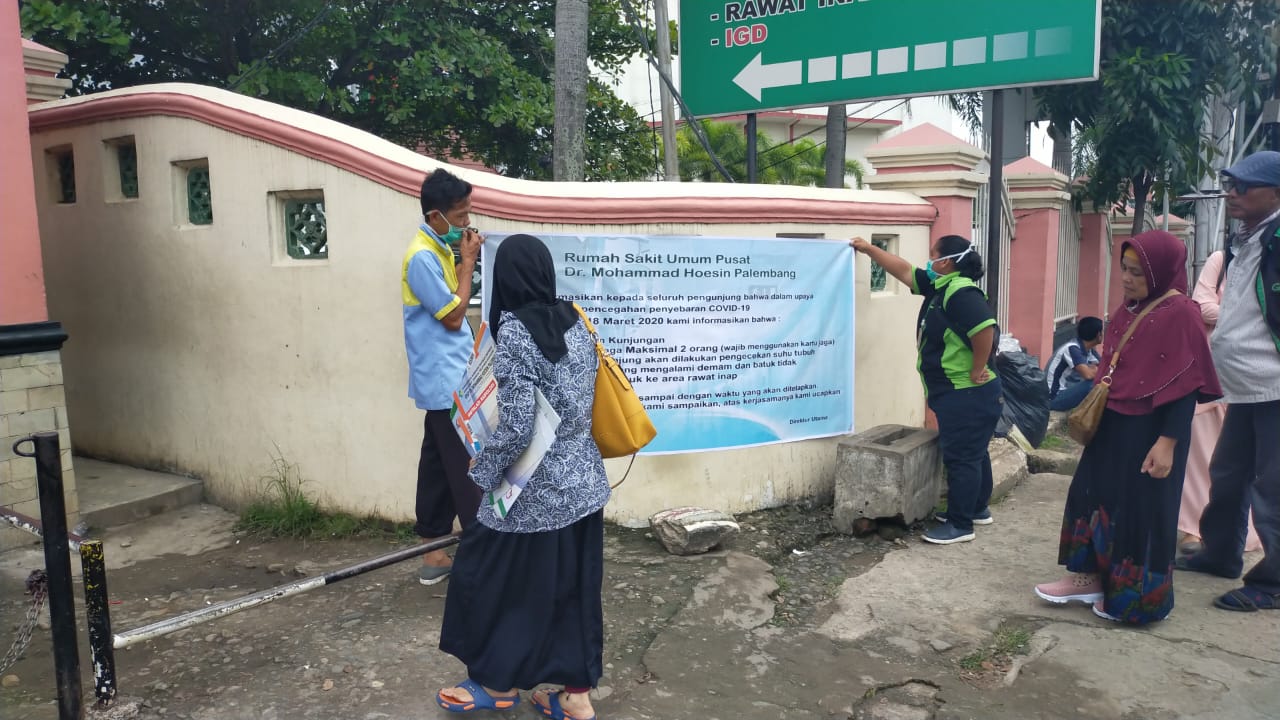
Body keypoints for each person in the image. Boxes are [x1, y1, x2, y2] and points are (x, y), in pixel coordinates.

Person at [436, 234, 610, 719]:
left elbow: (516, 428)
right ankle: (575, 698)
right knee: (575, 587)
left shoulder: (512, 332)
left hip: (530, 492)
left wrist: (482, 471)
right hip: (584, 484)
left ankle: (494, 684)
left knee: (481, 572)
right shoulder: (576, 320)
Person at [1033, 230, 1221, 625]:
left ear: (1161, 271)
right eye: (1124, 269)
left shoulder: (1181, 314)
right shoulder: (1129, 310)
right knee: (1093, 495)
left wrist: (1168, 443)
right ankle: (1089, 579)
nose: (1127, 278)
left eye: (1138, 271)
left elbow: (1186, 386)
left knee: (1142, 512)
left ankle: (1137, 603)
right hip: (1113, 423)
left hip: (1152, 431)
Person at [851, 234, 1003, 545]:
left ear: (946, 261)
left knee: (962, 457)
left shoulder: (960, 293)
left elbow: (984, 329)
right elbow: (906, 271)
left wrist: (976, 368)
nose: (928, 262)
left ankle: (961, 525)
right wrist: (870, 250)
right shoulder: (942, 285)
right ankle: (976, 509)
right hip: (960, 392)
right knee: (973, 452)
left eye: (933, 256)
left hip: (966, 392)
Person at [1178, 150, 1280, 613]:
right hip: (1244, 386)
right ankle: (1220, 554)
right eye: (1231, 183)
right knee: (1228, 473)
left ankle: (1273, 583)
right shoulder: (1247, 238)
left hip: (1274, 386)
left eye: (1245, 186)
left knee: (1271, 487)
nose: (1232, 193)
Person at [402, 168, 484, 585]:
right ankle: (485, 554)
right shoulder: (421, 257)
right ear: (436, 216)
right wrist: (467, 264)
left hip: (450, 376)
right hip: (443, 380)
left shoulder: (437, 249)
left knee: (436, 467)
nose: (467, 222)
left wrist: (461, 258)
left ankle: (433, 555)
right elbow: (453, 316)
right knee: (465, 467)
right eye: (460, 215)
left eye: (469, 212)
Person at [1178, 250, 1260, 556]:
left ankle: (1237, 534)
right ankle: (1193, 528)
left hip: (1257, 375)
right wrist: (1249, 316)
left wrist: (1228, 312)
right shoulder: (1222, 258)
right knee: (1199, 453)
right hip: (1213, 369)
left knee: (1245, 461)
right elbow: (1201, 304)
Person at [1045, 316, 1103, 412]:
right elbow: (1088, 375)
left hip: (1067, 389)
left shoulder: (1089, 350)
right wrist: (1095, 370)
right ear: (1098, 335)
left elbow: (1104, 368)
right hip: (1054, 397)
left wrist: (1095, 370)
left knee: (1102, 381)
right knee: (1093, 384)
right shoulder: (1072, 348)